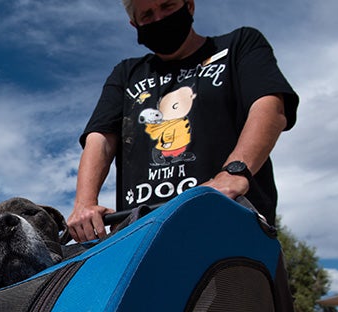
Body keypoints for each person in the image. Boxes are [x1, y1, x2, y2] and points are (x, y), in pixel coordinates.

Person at [66, 0, 298, 243]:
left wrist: (234, 172)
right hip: (142, 235)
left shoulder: (239, 45)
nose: (159, 19)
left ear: (189, 6)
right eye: (147, 14)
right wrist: (84, 203)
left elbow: (270, 106)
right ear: (134, 24)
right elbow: (100, 138)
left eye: (167, 6)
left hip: (228, 222)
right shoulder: (126, 74)